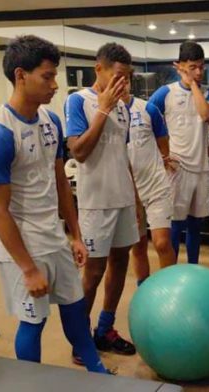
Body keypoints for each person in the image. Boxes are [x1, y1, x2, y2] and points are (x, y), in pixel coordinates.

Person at [0, 35, 108, 373]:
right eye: (47, 76)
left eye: (55, 76)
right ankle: (29, 382)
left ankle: (96, 369)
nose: (54, 84)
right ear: (21, 75)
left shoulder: (51, 121)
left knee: (75, 307)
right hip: (22, 245)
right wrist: (28, 268)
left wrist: (76, 234)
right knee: (33, 322)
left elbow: (61, 182)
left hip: (53, 237)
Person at [65, 42, 138, 358]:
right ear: (100, 69)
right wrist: (104, 108)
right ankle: (80, 341)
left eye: (127, 77)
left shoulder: (124, 107)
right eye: (118, 75)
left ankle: (104, 329)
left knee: (121, 265)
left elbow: (122, 156)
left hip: (123, 199)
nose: (123, 83)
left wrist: (137, 202)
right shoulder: (78, 101)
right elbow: (79, 151)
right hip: (96, 204)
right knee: (93, 273)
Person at [149, 41, 209, 265]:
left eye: (201, 67)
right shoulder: (164, 93)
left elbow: (206, 115)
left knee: (196, 226)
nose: (198, 72)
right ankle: (172, 273)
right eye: (192, 67)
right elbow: (145, 123)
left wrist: (193, 85)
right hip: (176, 170)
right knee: (175, 227)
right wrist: (159, 155)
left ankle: (193, 270)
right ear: (179, 66)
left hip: (201, 168)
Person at [124, 74, 177, 284]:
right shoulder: (107, 114)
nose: (121, 85)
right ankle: (144, 292)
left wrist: (164, 164)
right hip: (128, 190)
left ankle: (170, 289)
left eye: (124, 80)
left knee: (162, 243)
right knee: (138, 246)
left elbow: (163, 144)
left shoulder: (148, 110)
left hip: (155, 186)